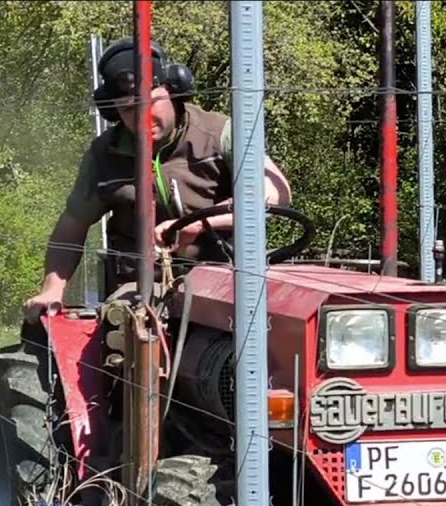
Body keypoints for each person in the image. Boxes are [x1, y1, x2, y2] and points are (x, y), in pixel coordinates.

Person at [23, 38, 292, 323]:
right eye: (128, 109)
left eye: (152, 103)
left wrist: (202, 224)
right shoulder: (105, 154)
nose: (143, 117)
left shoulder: (219, 133)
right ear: (113, 111)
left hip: (225, 279)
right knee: (127, 332)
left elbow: (275, 192)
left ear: (175, 91)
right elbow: (72, 226)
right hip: (139, 290)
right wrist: (52, 289)